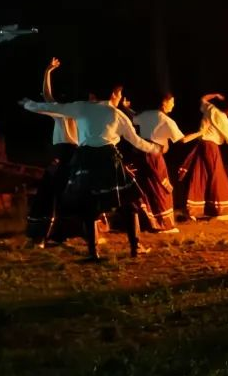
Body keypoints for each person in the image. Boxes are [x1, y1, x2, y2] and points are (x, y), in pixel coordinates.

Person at [20, 84, 160, 261]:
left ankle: (94, 253)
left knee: (89, 206)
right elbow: (136, 141)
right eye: (119, 94)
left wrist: (28, 104)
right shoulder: (116, 114)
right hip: (108, 159)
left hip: (86, 159)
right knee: (128, 203)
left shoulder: (82, 107)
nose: (120, 97)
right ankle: (134, 247)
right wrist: (154, 148)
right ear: (113, 94)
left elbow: (51, 107)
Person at [25, 58, 82, 246]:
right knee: (69, 191)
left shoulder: (64, 112)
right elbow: (48, 96)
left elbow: (47, 96)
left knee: (55, 191)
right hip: (73, 152)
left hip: (66, 152)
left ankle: (48, 234)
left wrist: (48, 71)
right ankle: (60, 233)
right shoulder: (78, 112)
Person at [133, 94, 204, 233]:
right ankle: (163, 224)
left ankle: (147, 221)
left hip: (141, 153)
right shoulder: (167, 121)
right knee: (162, 187)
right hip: (154, 155)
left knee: (147, 186)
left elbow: (133, 118)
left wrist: (126, 108)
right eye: (171, 102)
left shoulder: (146, 114)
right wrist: (200, 133)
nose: (173, 105)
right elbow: (182, 140)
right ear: (164, 103)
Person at [179, 94, 228, 220]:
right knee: (216, 175)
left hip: (201, 145)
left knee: (202, 175)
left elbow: (202, 98)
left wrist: (216, 95)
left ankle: (197, 209)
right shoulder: (224, 120)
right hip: (211, 147)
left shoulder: (211, 108)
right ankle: (221, 210)